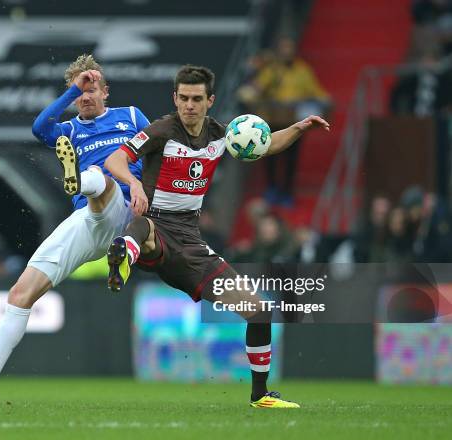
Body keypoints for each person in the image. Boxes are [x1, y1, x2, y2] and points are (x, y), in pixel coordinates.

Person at [104, 64, 330, 409]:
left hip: (192, 244)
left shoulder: (222, 135)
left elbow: (266, 146)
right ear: (174, 98)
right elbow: (115, 160)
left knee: (258, 311)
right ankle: (124, 255)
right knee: (143, 227)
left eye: (196, 98)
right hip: (157, 227)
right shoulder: (162, 131)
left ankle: (261, 395)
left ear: (210, 100)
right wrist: (134, 183)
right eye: (183, 98)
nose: (189, 105)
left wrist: (298, 128)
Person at [0, 54, 149, 404]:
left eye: (92, 88)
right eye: (80, 91)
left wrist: (150, 192)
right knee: (20, 293)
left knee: (102, 180)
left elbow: (156, 148)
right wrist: (72, 90)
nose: (86, 96)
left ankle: (79, 180)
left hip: (125, 211)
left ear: (106, 91)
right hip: (88, 220)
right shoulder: (69, 129)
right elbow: (39, 128)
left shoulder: (130, 116)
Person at [238, 37, 331, 206]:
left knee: (291, 157)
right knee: (269, 155)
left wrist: (325, 100)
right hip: (273, 118)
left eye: (290, 48)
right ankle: (272, 187)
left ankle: (287, 190)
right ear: (279, 51)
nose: (287, 52)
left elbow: (315, 91)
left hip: (294, 121)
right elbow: (257, 88)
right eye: (284, 48)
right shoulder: (271, 70)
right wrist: (249, 91)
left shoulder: (303, 70)